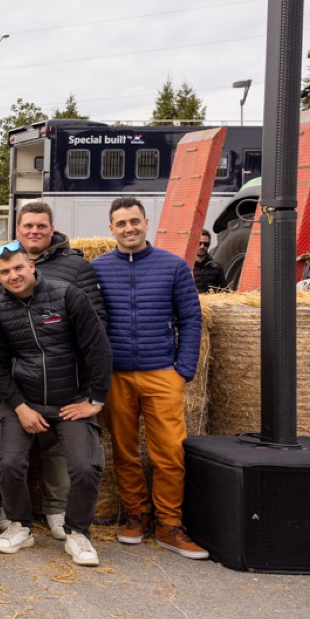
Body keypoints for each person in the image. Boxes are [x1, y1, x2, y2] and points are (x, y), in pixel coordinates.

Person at [92, 198, 208, 560]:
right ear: (111, 229)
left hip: (162, 374)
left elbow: (191, 319)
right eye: (121, 223)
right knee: (125, 451)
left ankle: (169, 524)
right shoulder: (96, 269)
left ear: (146, 222)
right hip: (117, 376)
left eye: (134, 221)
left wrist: (182, 371)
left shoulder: (173, 267)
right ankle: (136, 515)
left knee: (170, 452)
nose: (129, 228)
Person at [0, 200, 107, 542]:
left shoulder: (68, 292)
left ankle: (77, 531)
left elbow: (97, 346)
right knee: (9, 462)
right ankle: (19, 524)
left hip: (69, 398)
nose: (13, 276)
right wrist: (19, 406)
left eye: (18, 269)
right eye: (4, 272)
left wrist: (96, 399)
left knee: (86, 467)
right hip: (23, 399)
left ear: (30, 265)